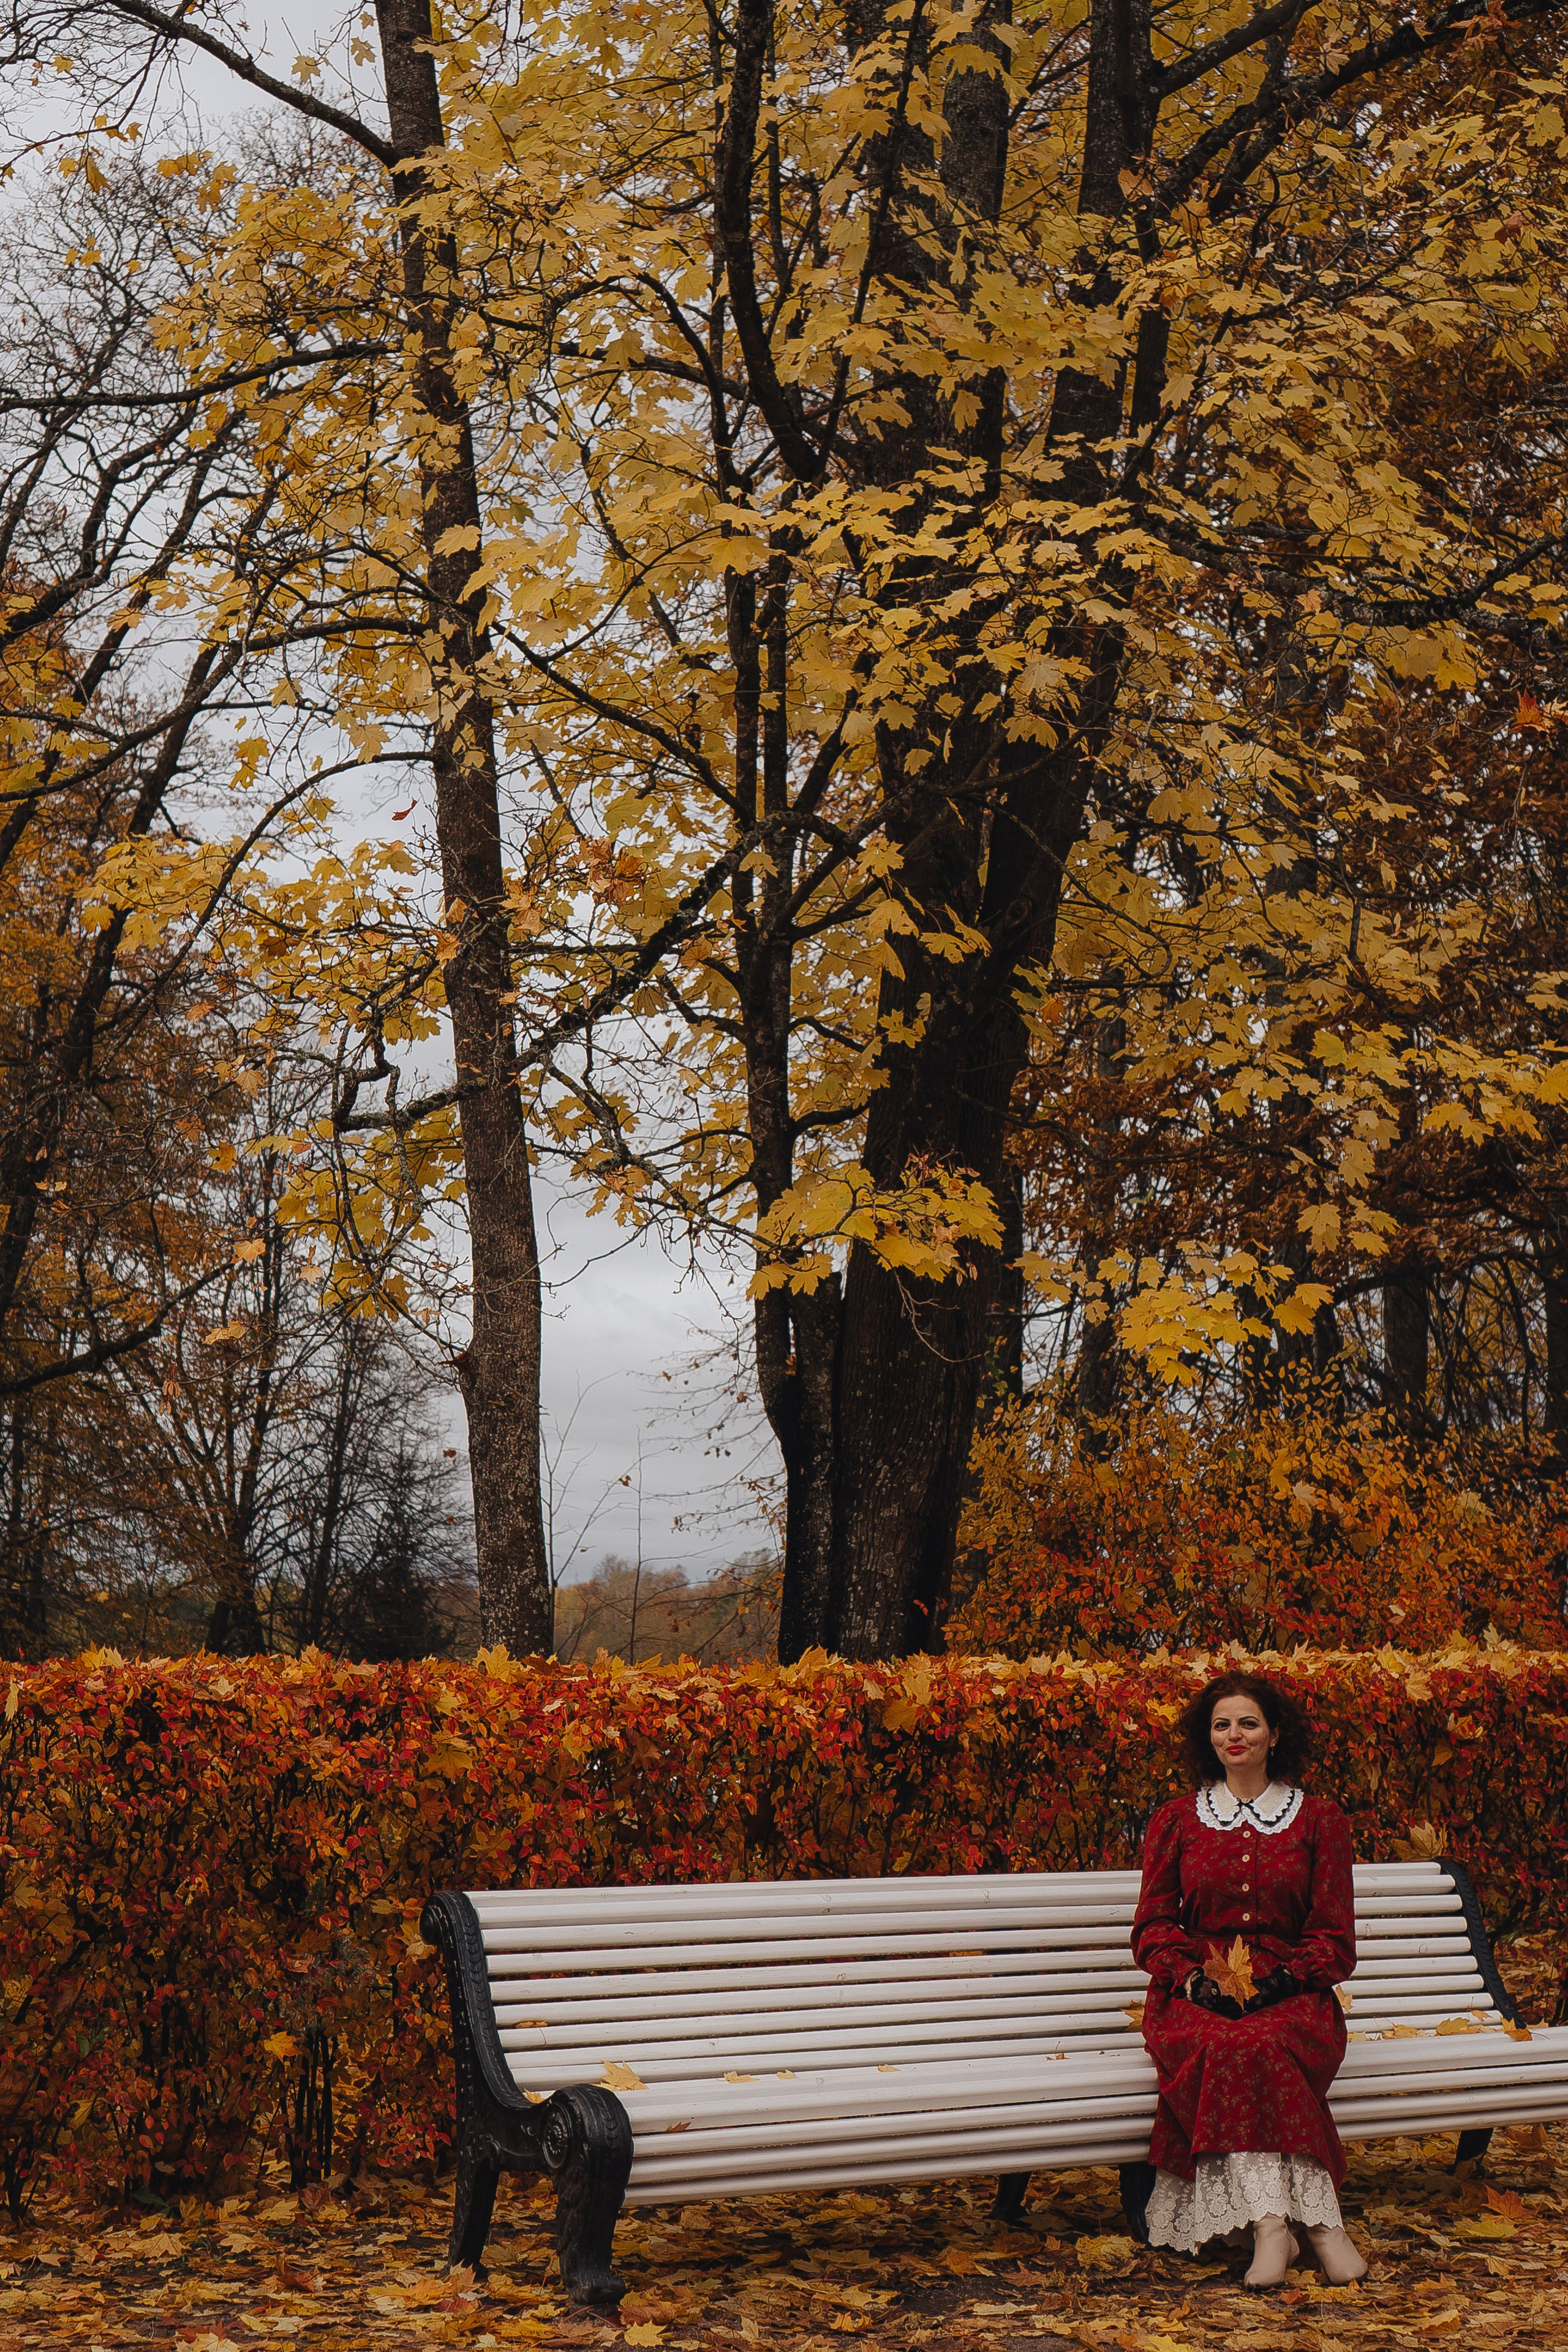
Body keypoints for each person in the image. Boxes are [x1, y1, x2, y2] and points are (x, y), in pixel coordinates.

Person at [1130, 1671, 1369, 2289]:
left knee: (1260, 2041)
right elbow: (1153, 1925)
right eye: (1220, 1725)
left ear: (1274, 1733)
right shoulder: (1177, 1819)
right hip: (1193, 1999)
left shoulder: (1319, 1820)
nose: (1233, 1735)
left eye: (1247, 1722)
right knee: (1234, 2043)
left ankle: (1305, 2228)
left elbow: (1334, 1937)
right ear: (1206, 1738)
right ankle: (1290, 2228)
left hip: (1295, 1996)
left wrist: (1288, 1980)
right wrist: (1188, 1978)